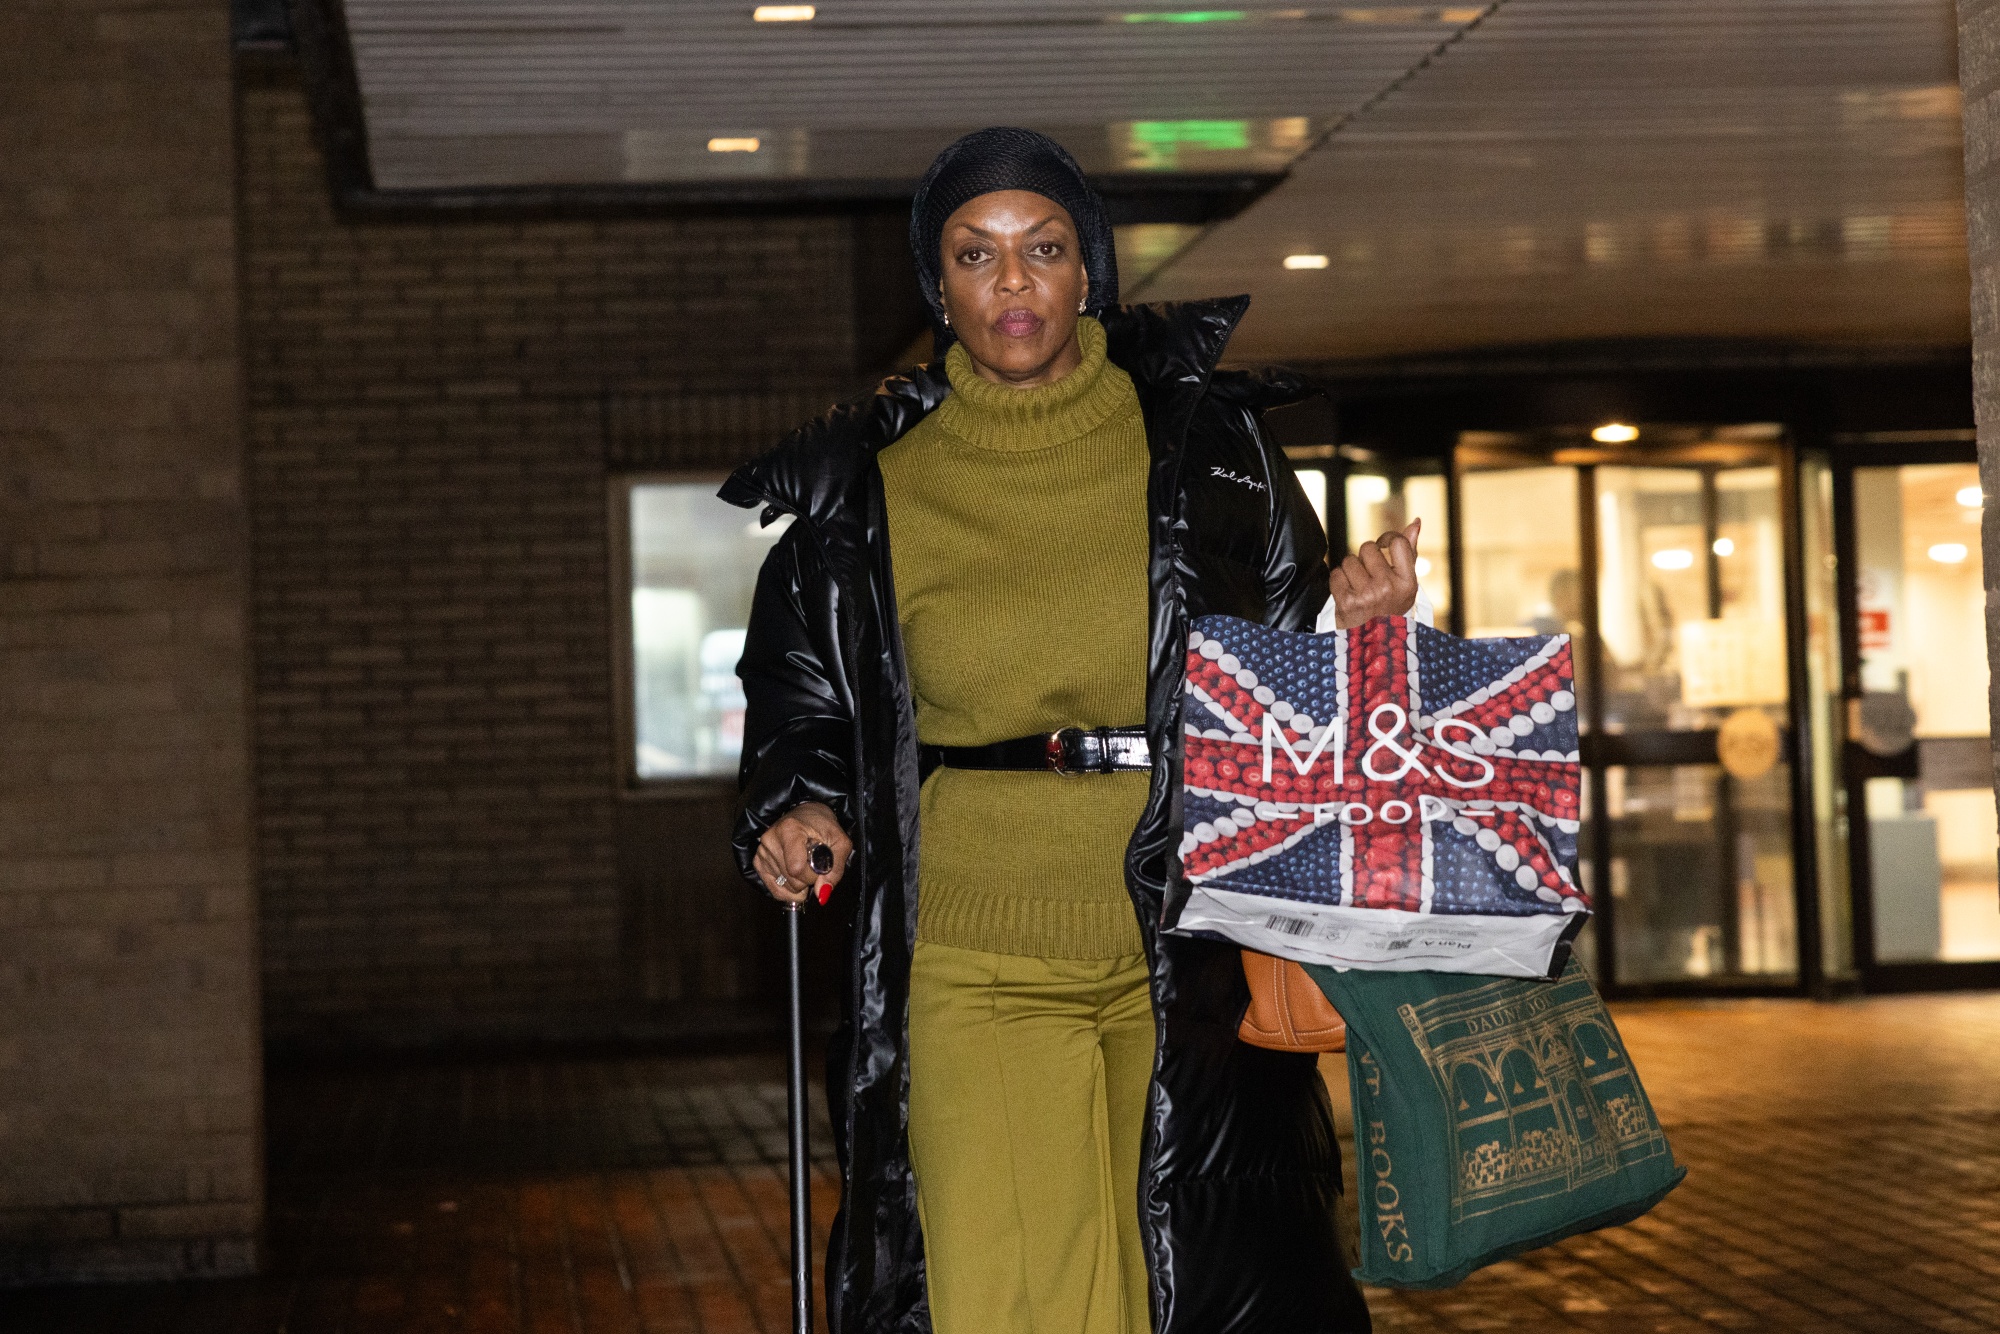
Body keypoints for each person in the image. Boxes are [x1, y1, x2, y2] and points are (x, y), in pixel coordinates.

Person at [721, 127, 1419, 1334]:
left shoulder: (1210, 451)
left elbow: (1285, 689)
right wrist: (799, 798)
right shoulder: (871, 488)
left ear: (1087, 269)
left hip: (1191, 960)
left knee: (1176, 1295)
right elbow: (805, 690)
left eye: (1041, 248)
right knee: (1018, 1305)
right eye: (974, 254)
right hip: (979, 951)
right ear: (937, 285)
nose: (1012, 281)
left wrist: (1353, 627)